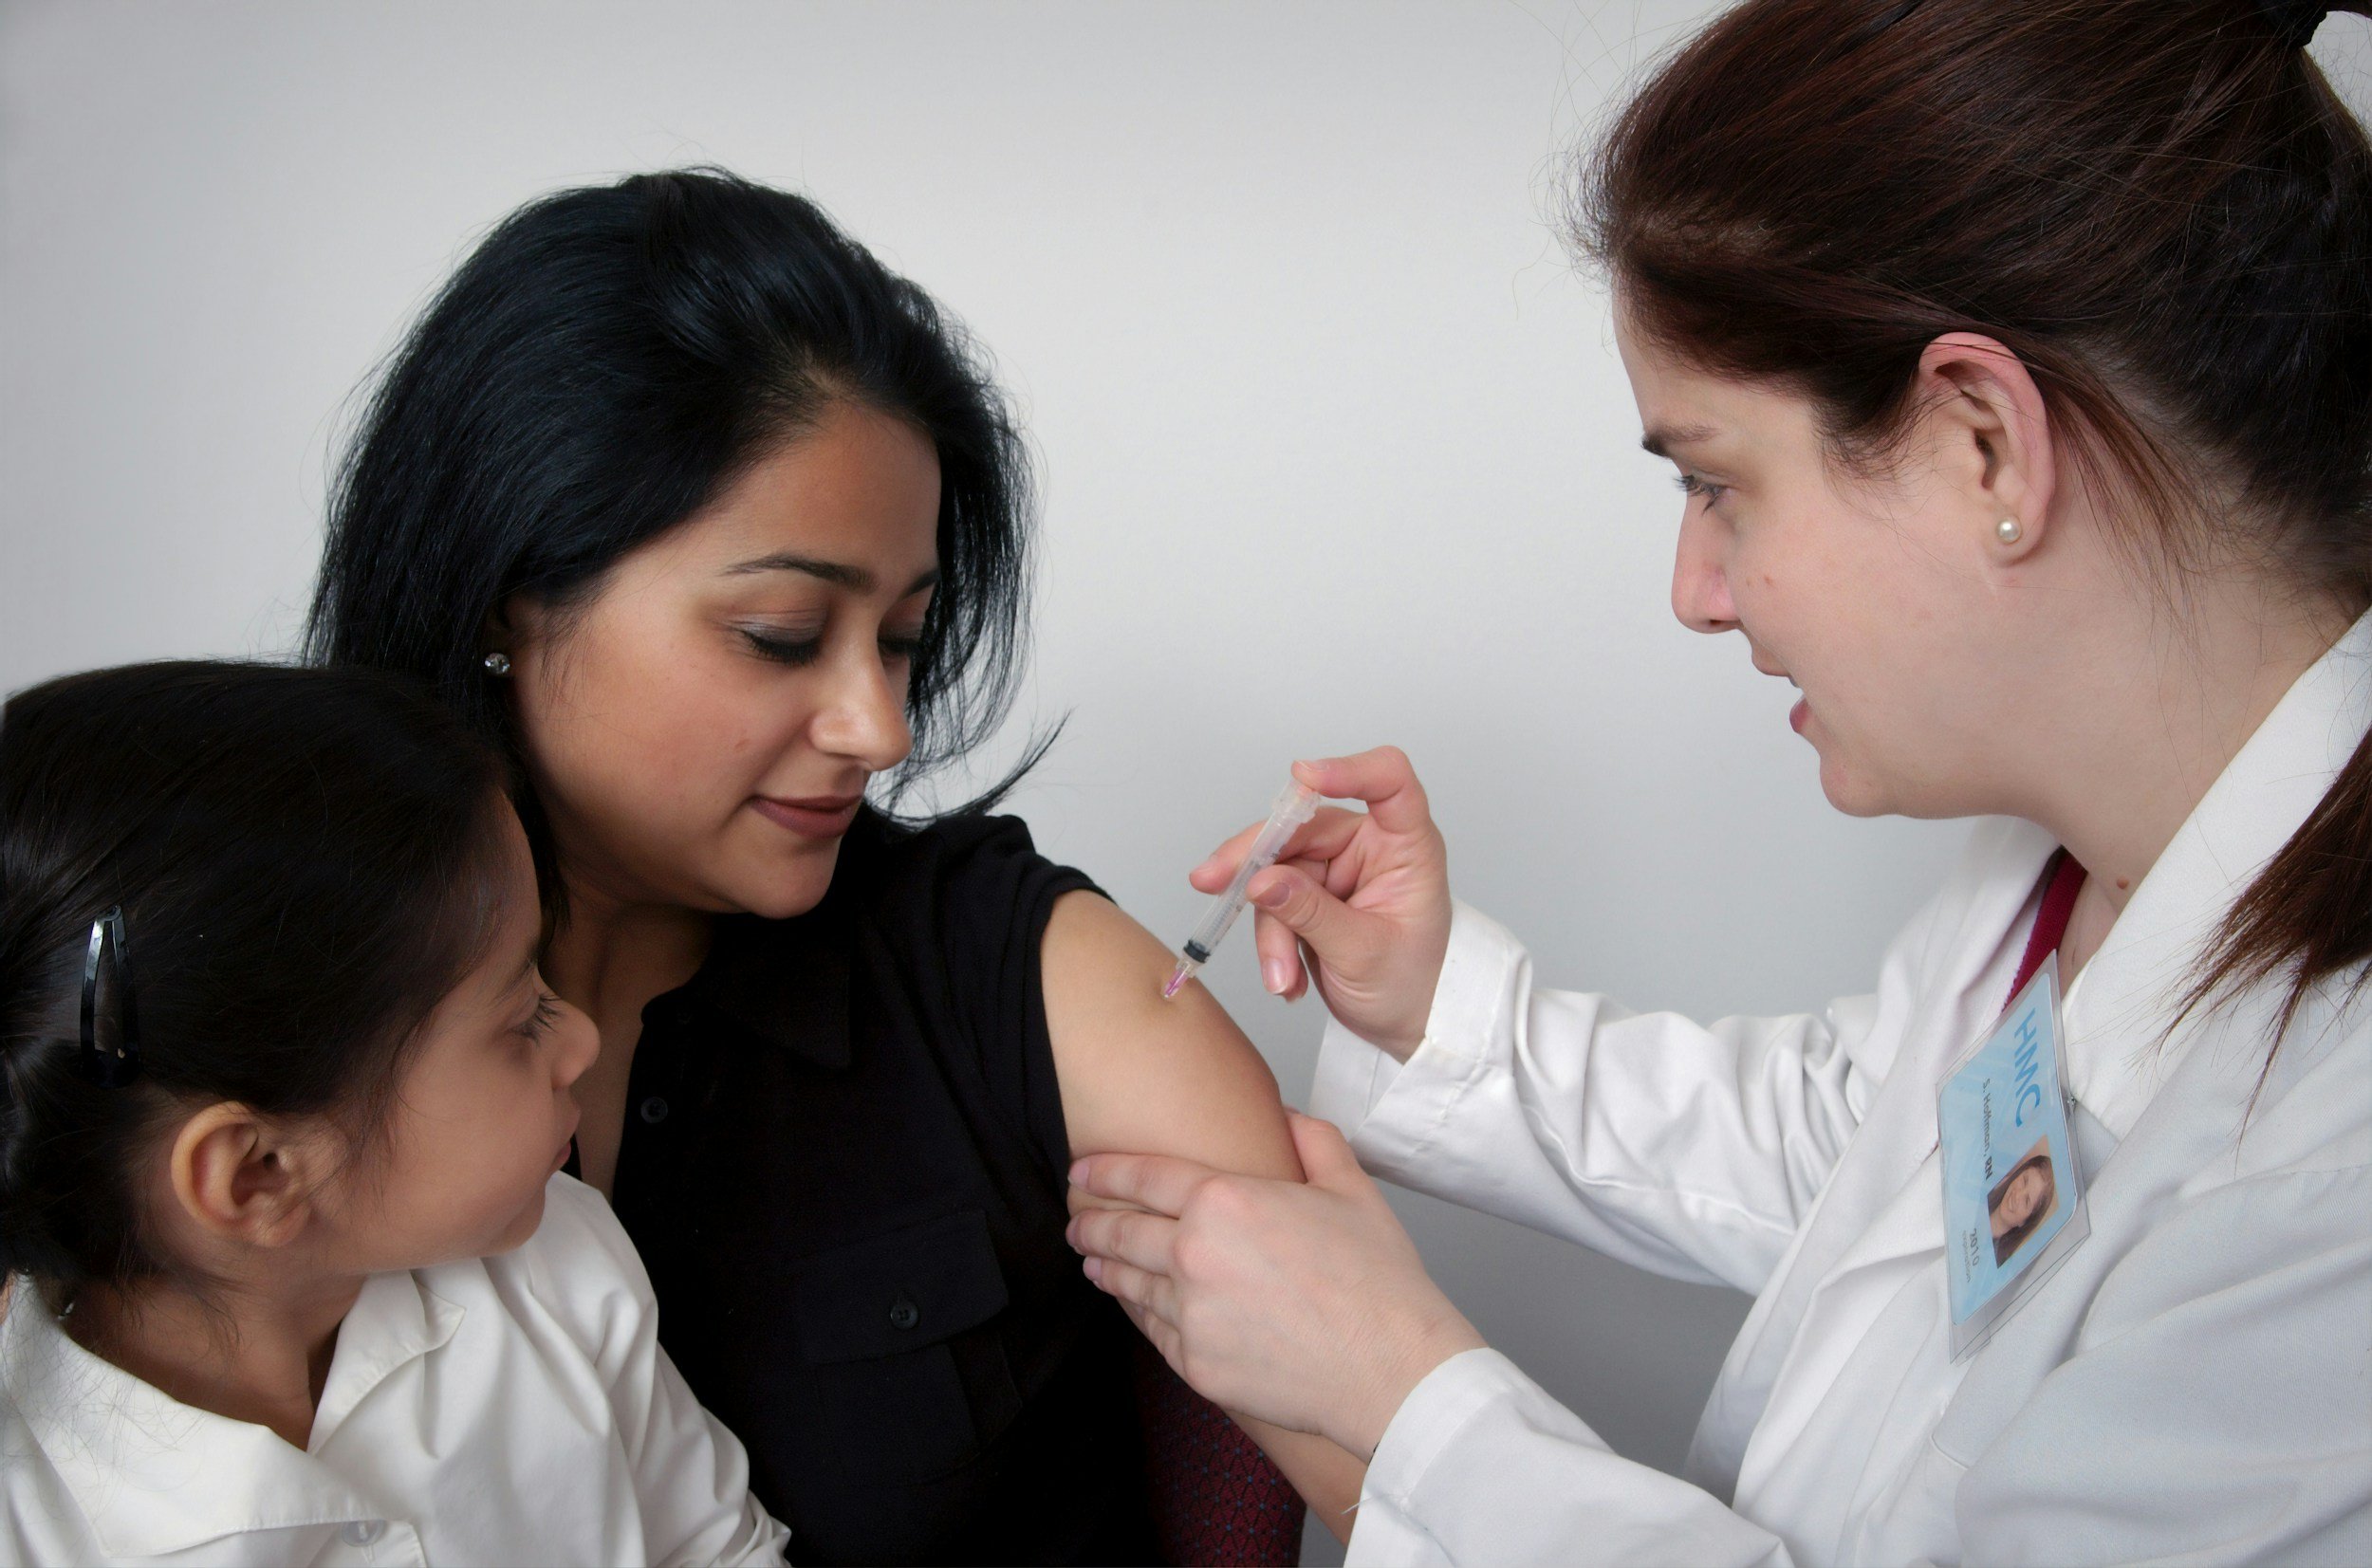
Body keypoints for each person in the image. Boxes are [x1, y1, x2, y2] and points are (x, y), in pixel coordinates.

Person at [1066, 1, 2372, 1561]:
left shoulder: (2333, 1172)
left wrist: (1408, 1391)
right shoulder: (2073, 874)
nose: (1696, 588)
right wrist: (1439, 1018)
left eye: (1715, 480)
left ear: (1983, 447)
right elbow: (1873, 1160)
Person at [305, 168, 1358, 1562]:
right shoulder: (265, 1009)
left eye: (906, 638)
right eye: (784, 633)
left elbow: (1423, 1473)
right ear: (512, 593)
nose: (883, 728)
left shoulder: (1027, 981)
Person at [0, 662, 787, 1566]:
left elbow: (722, 1551)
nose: (581, 1039)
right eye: (521, 1017)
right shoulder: (35, 1524)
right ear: (257, 1173)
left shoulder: (553, 1270)